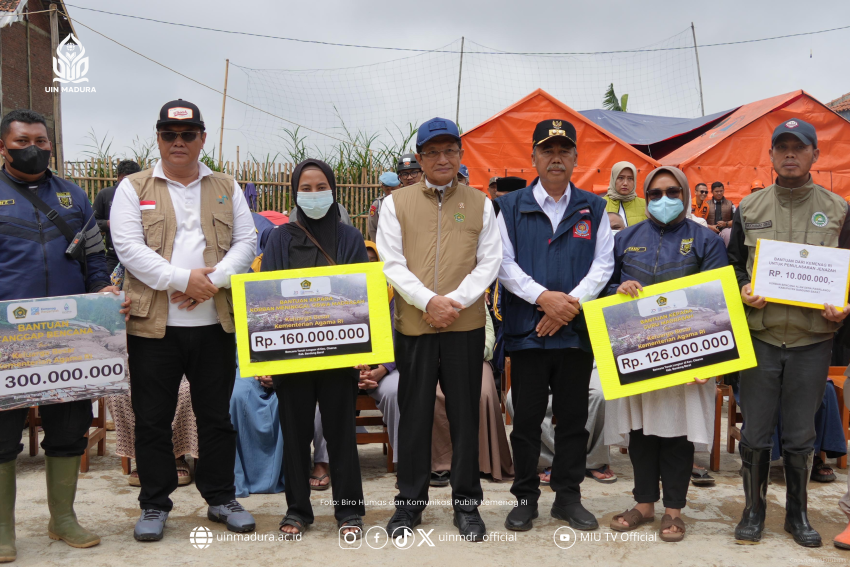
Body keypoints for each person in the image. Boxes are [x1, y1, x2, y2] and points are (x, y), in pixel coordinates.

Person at [111, 99, 257, 541]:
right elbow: (128, 248)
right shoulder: (133, 188)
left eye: (188, 134)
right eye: (170, 134)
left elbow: (247, 242)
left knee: (216, 418)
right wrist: (182, 280)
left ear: (202, 138)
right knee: (152, 419)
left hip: (214, 324)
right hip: (153, 328)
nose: (179, 142)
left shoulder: (226, 186)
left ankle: (221, 498)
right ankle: (155, 503)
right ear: (158, 138)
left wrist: (209, 283)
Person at [0, 109, 128, 561]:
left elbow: (95, 259)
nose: (32, 148)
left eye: (40, 140)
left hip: (72, 336)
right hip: (7, 340)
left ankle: (63, 519)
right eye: (22, 141)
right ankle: (3, 530)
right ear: (3, 147)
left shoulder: (73, 196)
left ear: (51, 146)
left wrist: (104, 289)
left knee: (69, 428)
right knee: (2, 435)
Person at [377, 117, 501, 542]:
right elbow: (391, 262)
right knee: (414, 415)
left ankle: (466, 505)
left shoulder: (481, 203)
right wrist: (428, 301)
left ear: (460, 155)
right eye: (433, 152)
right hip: (415, 326)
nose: (442, 159)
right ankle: (409, 503)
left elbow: (489, 261)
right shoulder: (396, 204)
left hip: (464, 326)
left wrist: (453, 303)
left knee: (465, 415)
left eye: (450, 150)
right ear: (420, 158)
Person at [728, 118, 850, 547]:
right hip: (761, 336)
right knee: (756, 430)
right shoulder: (749, 208)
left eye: (800, 147)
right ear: (771, 155)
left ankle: (797, 514)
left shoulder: (838, 209)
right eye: (782, 147)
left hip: (812, 339)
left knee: (801, 434)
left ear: (816, 154)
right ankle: (753, 511)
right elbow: (733, 264)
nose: (791, 154)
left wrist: (844, 304)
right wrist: (743, 288)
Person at [497, 119, 613, 534]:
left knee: (573, 421)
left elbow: (603, 264)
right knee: (526, 421)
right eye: (548, 150)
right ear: (533, 157)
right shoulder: (510, 207)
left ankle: (568, 497)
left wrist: (569, 305)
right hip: (528, 333)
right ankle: (525, 499)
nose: (556, 157)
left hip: (575, 334)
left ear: (576, 157)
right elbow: (502, 263)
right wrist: (543, 299)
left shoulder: (594, 208)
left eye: (564, 150)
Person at [603, 165, 727, 543]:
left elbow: (720, 296)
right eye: (655, 194)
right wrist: (617, 289)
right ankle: (643, 504)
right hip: (639, 353)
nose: (664, 199)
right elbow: (604, 285)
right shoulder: (625, 238)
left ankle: (674, 510)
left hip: (686, 353)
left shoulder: (706, 240)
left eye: (673, 192)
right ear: (646, 197)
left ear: (685, 195)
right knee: (640, 431)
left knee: (678, 431)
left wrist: (712, 360)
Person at [260, 159, 367, 541]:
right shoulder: (279, 239)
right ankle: (297, 510)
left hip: (338, 354)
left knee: (341, 434)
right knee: (295, 434)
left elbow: (359, 296)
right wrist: (269, 356)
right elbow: (267, 298)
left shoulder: (350, 238)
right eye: (306, 188)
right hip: (292, 354)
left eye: (321, 186)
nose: (314, 194)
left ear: (333, 190)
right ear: (295, 193)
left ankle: (349, 510)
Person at [430, 309, 514, 484]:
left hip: (473, 358)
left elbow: (488, 331)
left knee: (483, 392)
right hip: (433, 359)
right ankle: (440, 464)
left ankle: (480, 462)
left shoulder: (472, 296)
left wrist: (477, 352)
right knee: (434, 394)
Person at [506, 363, 616, 486]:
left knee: (601, 395)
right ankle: (551, 460)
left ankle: (593, 460)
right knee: (517, 400)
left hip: (587, 359)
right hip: (538, 358)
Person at [94, 160, 142, 274]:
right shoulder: (105, 194)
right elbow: (92, 222)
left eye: (132, 180)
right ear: (118, 177)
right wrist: (107, 223)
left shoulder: (145, 195)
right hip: (113, 255)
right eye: (123, 180)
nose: (128, 184)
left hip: (140, 256)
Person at [603, 161, 645, 228]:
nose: (625, 183)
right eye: (621, 178)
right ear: (613, 179)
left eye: (630, 178)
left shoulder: (645, 205)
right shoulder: (601, 204)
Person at [368, 172, 401, 241]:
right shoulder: (378, 205)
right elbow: (372, 228)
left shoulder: (406, 202)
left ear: (399, 186)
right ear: (382, 187)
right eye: (387, 189)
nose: (390, 192)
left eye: (393, 189)